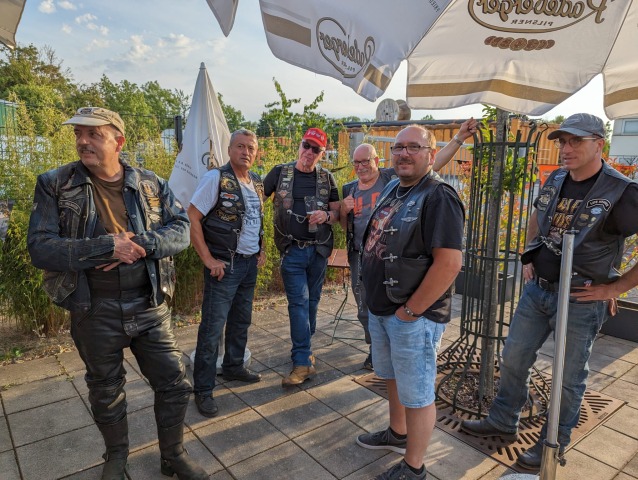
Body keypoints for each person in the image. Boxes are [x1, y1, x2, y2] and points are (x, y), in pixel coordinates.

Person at [27, 107, 207, 479]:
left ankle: (173, 454)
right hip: (93, 307)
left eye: (94, 134)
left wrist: (140, 244)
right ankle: (117, 456)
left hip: (149, 303)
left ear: (118, 141)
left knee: (174, 382)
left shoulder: (150, 183)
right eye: (78, 134)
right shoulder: (55, 183)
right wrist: (107, 247)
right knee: (105, 390)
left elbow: (181, 230)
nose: (83, 141)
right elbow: (40, 248)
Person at [460, 113, 638, 470]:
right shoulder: (557, 177)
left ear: (598, 144)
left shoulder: (621, 191)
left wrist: (616, 288)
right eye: (562, 142)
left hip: (580, 299)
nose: (566, 148)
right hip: (537, 291)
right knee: (513, 357)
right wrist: (529, 254)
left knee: (567, 379)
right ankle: (503, 420)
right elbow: (538, 216)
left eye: (575, 141)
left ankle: (551, 446)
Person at [355, 125, 465, 480]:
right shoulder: (394, 187)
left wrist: (410, 312)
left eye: (413, 147)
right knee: (391, 377)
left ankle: (414, 466)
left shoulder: (439, 197)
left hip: (413, 316)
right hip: (383, 307)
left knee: (417, 392)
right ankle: (397, 433)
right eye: (398, 147)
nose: (403, 153)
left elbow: (449, 263)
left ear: (430, 155)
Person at [340, 119, 477, 370]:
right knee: (364, 312)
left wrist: (458, 139)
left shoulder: (391, 179)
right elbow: (343, 223)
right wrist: (341, 210)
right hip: (366, 268)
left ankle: (379, 347)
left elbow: (430, 163)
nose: (361, 166)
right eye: (356, 162)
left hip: (406, 307)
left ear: (377, 161)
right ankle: (375, 349)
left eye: (366, 161)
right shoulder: (353, 188)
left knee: (413, 386)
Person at [188, 129, 265, 418]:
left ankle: (233, 366)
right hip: (225, 265)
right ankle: (203, 389)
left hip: (248, 264)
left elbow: (256, 219)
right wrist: (208, 259)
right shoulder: (216, 178)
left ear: (256, 153)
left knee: (241, 321)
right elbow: (192, 216)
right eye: (240, 146)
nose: (246, 152)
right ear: (230, 149)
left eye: (251, 148)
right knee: (212, 329)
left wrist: (261, 248)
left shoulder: (256, 181)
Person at [263, 127, 340, 386]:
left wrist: (326, 216)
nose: (309, 152)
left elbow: (337, 214)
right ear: (300, 144)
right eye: (306, 145)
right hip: (292, 249)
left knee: (312, 303)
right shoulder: (279, 173)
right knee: (299, 303)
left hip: (319, 250)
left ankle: (304, 349)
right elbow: (254, 201)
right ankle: (302, 362)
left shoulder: (327, 178)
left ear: (322, 153)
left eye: (315, 149)